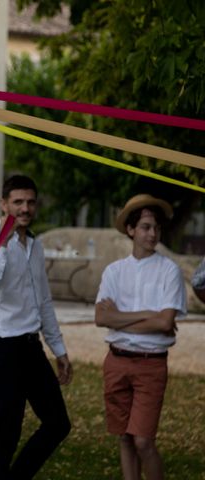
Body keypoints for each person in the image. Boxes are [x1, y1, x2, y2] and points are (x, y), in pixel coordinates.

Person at [0, 175, 72, 480]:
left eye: (30, 202)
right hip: (4, 347)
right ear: (4, 205)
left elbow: (43, 301)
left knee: (58, 423)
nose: (25, 208)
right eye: (18, 202)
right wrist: (2, 247)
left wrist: (59, 349)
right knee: (8, 427)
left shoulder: (36, 245)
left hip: (32, 347)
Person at [94, 194, 186, 480]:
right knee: (124, 437)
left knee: (143, 441)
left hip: (151, 364)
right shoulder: (114, 271)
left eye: (156, 227)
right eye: (146, 227)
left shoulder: (169, 270)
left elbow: (165, 321)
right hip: (117, 361)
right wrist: (149, 315)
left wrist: (120, 318)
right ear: (131, 230)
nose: (152, 233)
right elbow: (101, 318)